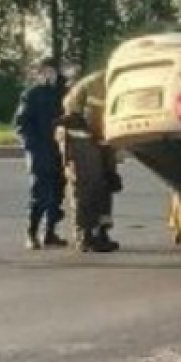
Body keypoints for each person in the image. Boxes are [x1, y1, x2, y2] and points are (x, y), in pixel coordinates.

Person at [57, 69, 121, 253]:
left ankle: (101, 231)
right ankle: (85, 234)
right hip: (81, 140)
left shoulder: (118, 83)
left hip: (102, 139)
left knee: (106, 185)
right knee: (86, 187)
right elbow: (90, 115)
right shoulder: (95, 84)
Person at [14, 56, 68, 250]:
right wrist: (32, 146)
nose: (48, 75)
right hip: (40, 151)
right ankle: (32, 233)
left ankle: (50, 232)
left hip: (61, 150)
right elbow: (22, 124)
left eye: (52, 71)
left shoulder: (66, 93)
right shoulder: (32, 94)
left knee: (58, 193)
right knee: (40, 194)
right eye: (44, 71)